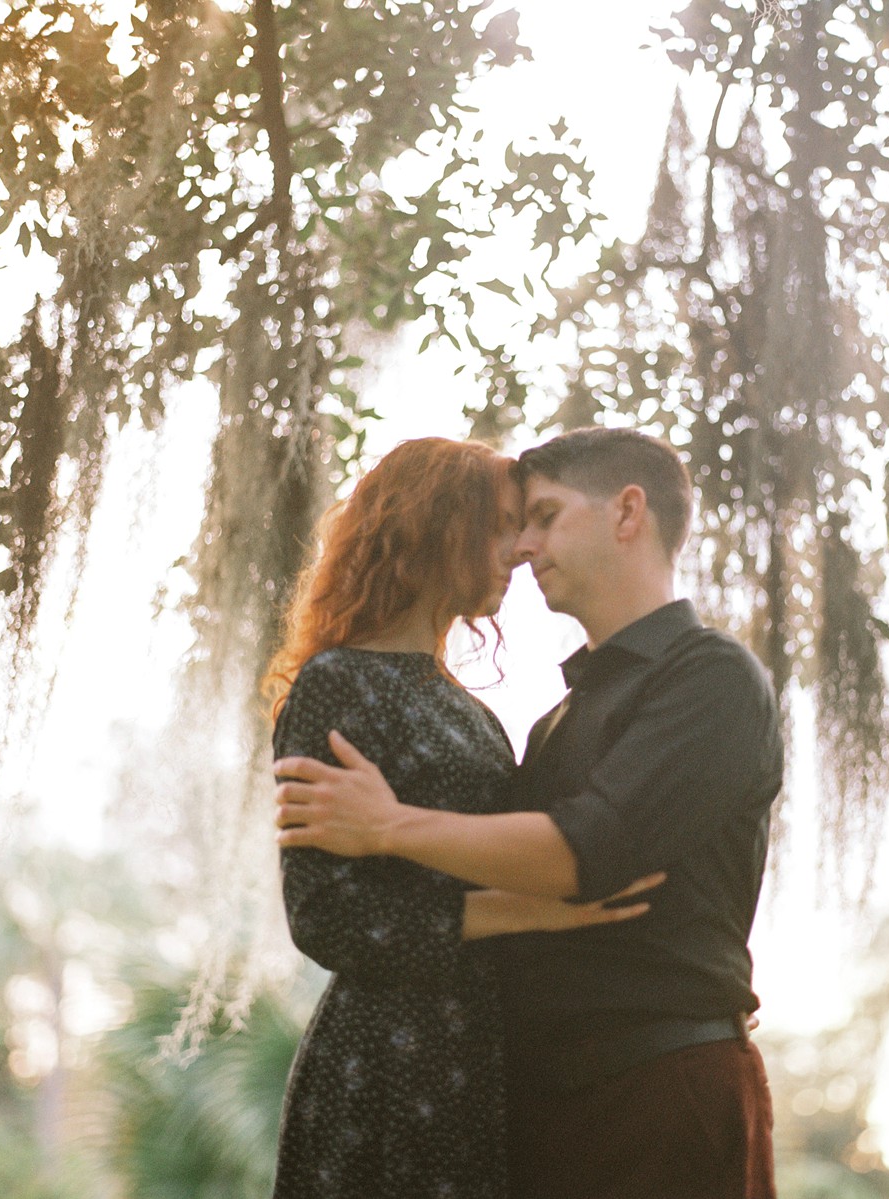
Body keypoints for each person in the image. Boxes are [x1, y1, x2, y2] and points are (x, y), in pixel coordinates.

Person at [274, 426, 784, 1199]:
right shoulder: (549, 721)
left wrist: (388, 824)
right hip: (481, 1085)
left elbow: (586, 853)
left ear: (627, 513)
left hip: (649, 1080)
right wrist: (527, 911)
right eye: (512, 523)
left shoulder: (708, 679)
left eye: (542, 517)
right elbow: (328, 912)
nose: (522, 547)